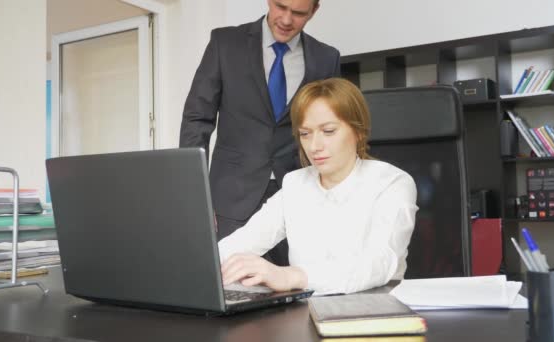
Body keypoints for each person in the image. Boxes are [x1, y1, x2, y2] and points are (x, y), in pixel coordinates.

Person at [218, 78, 419, 295]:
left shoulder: (392, 183)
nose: (314, 147)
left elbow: (379, 263)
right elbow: (243, 241)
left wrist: (290, 276)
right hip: (305, 313)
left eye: (329, 131)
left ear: (359, 132)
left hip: (372, 312)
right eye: (305, 134)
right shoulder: (295, 184)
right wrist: (199, 266)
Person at [179, 0, 340, 267]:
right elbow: (197, 120)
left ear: (314, 11)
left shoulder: (326, 58)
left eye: (298, 13)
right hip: (230, 199)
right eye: (280, 6)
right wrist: (196, 196)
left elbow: (333, 128)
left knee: (295, 289)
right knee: (230, 288)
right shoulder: (225, 43)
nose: (286, 20)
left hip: (299, 197)